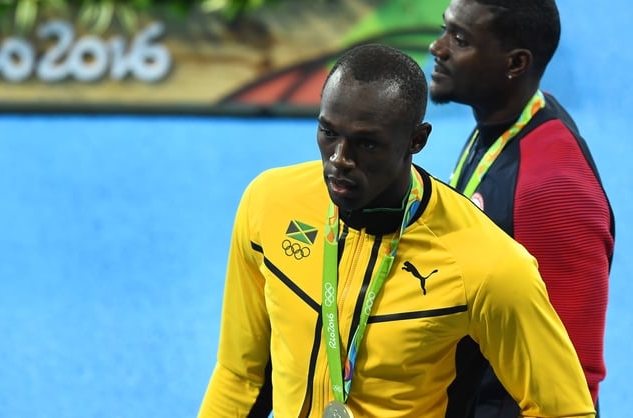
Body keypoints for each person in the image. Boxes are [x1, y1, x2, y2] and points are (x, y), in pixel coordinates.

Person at [198, 43, 596, 417]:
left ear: (416, 140)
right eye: (329, 133)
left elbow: (565, 409)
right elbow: (241, 375)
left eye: (367, 144)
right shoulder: (269, 203)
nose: (339, 160)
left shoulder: (489, 265)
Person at [429, 0, 615, 417]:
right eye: (444, 29)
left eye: (460, 39)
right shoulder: (507, 118)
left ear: (515, 63)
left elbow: (574, 371)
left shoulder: (553, 191)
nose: (438, 49)